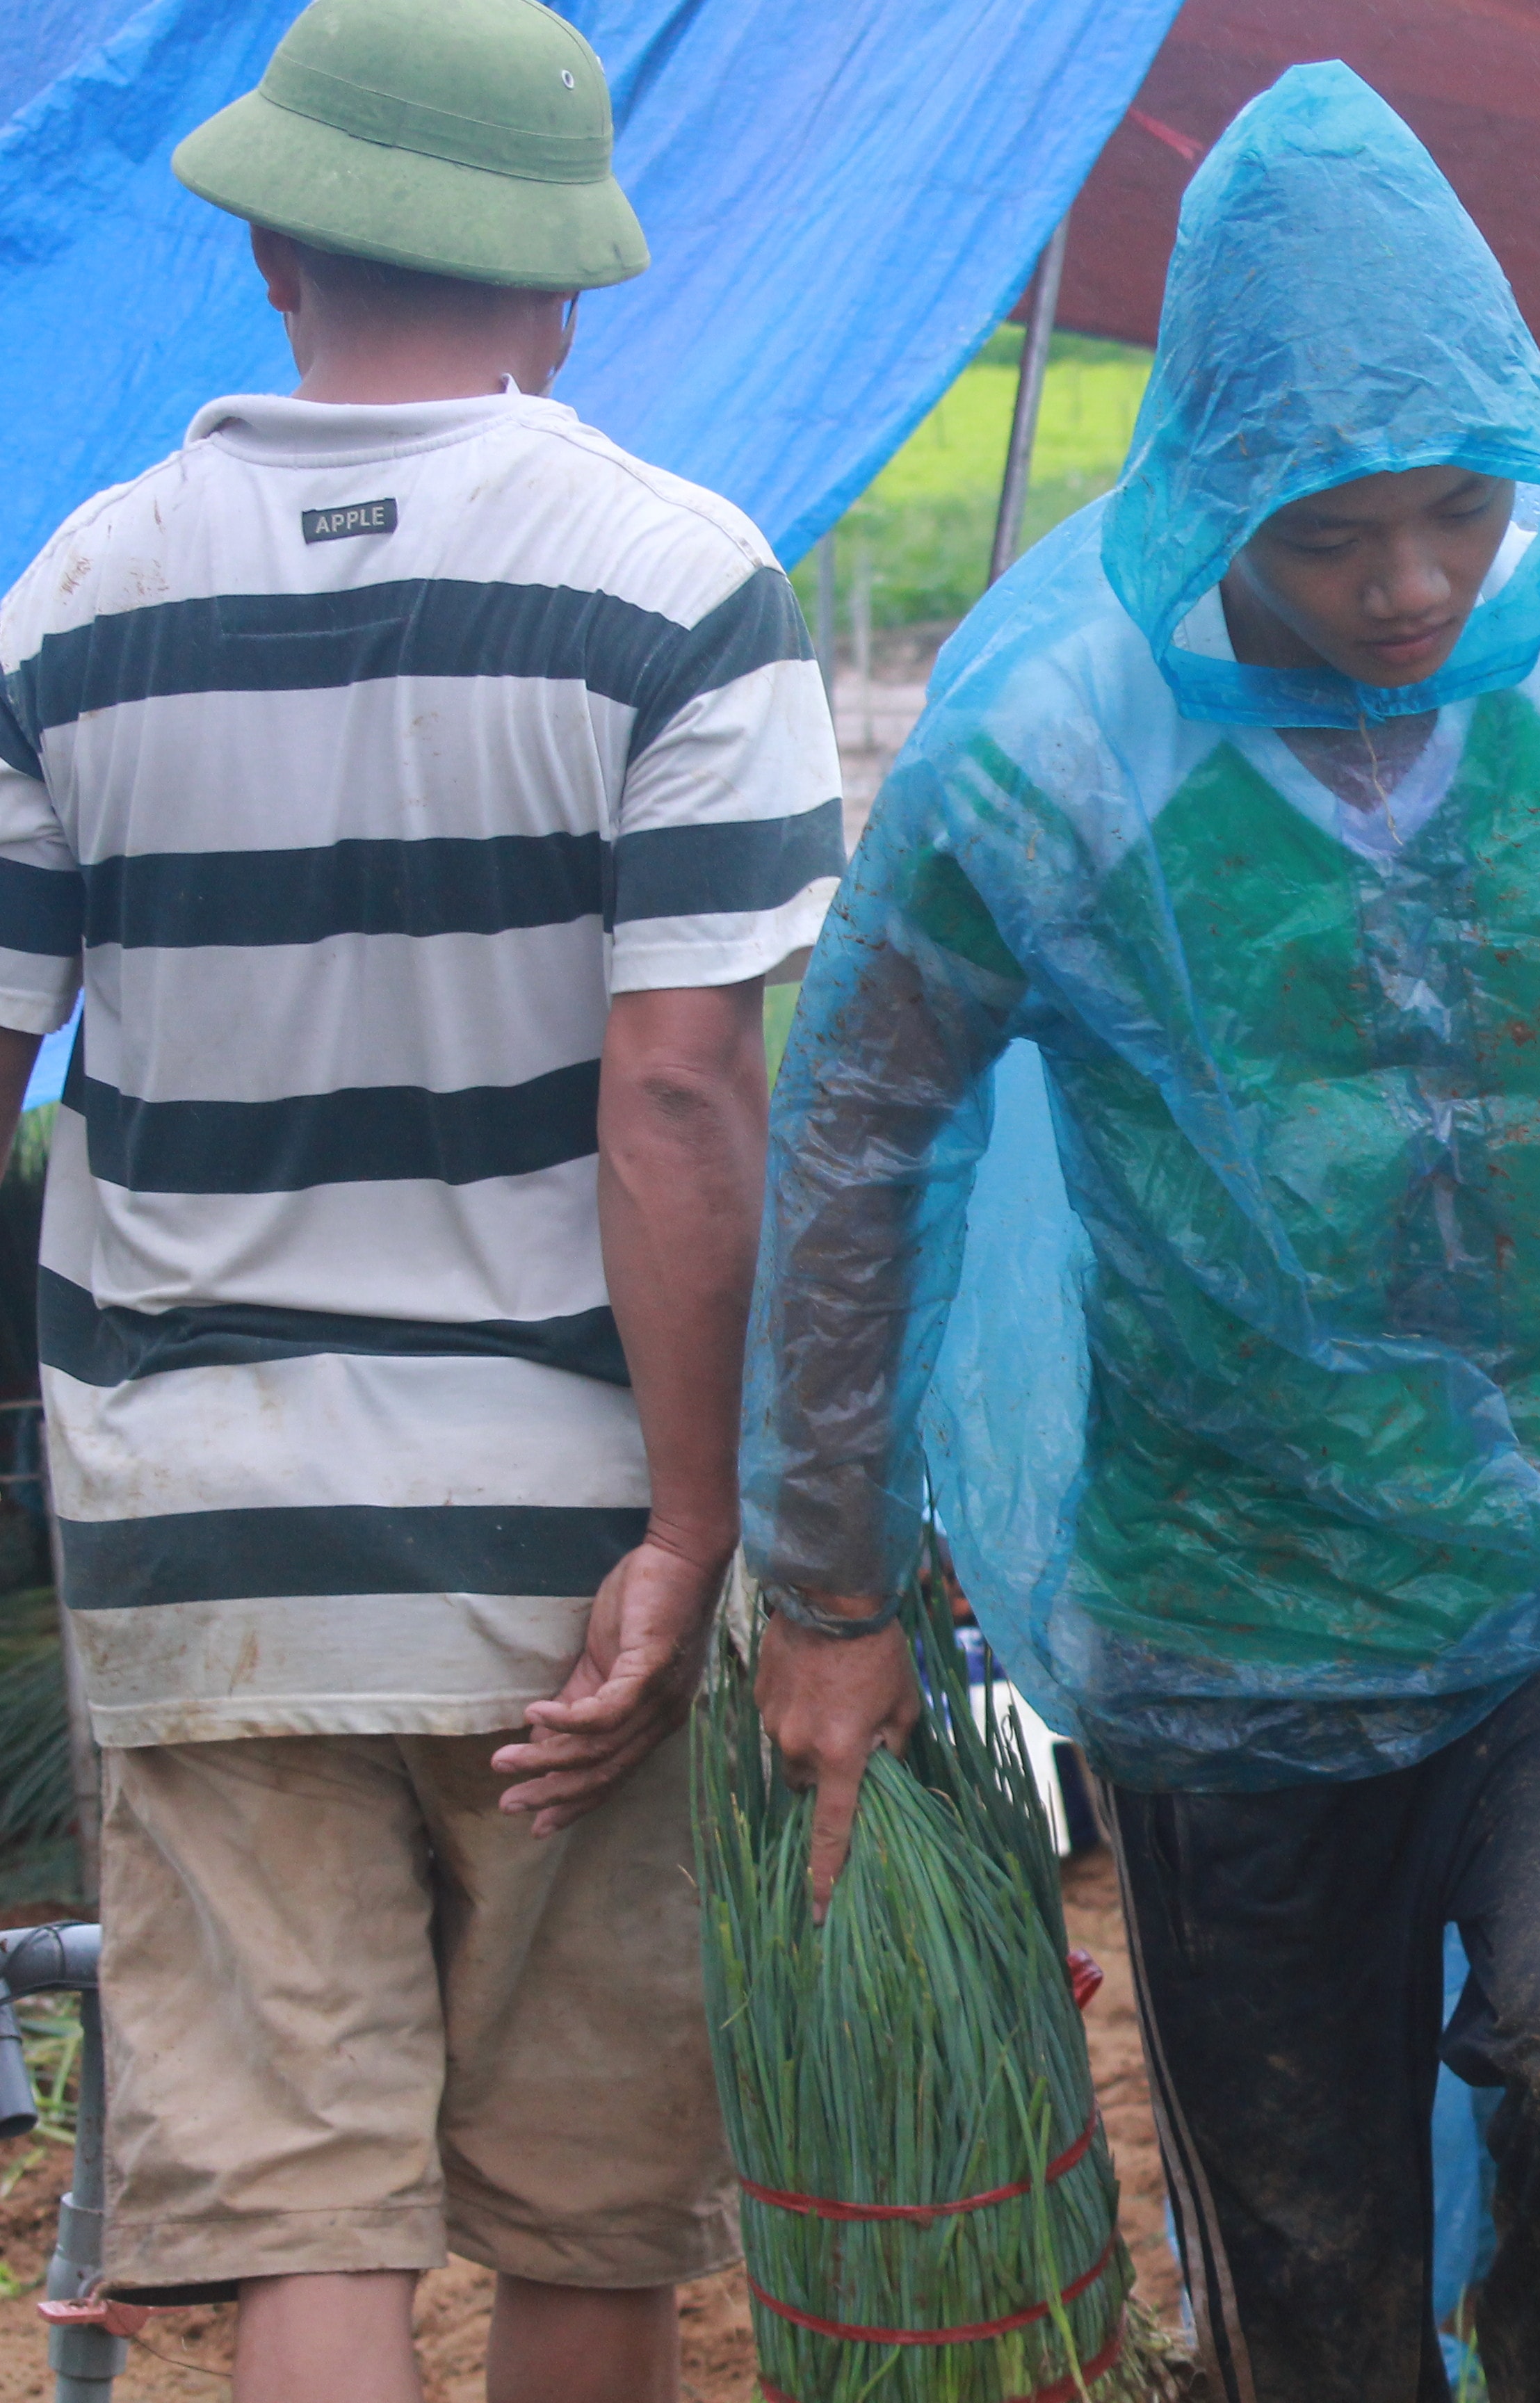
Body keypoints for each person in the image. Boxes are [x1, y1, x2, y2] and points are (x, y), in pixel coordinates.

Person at [738, 62, 1540, 2403]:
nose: (1408, 585)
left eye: (1455, 514)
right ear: (1209, 488)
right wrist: (826, 1583)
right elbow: (859, 1141)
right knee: (1300, 2290)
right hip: (1230, 1607)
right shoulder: (1049, 751)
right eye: (1328, 534)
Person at [0, 2, 842, 2396]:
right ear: (564, 283)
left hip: (199, 1527)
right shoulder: (677, 584)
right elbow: (681, 1099)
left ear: (266, 243)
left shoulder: (80, 597)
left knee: (306, 2226)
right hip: (565, 1533)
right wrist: (693, 1529)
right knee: (587, 2219)